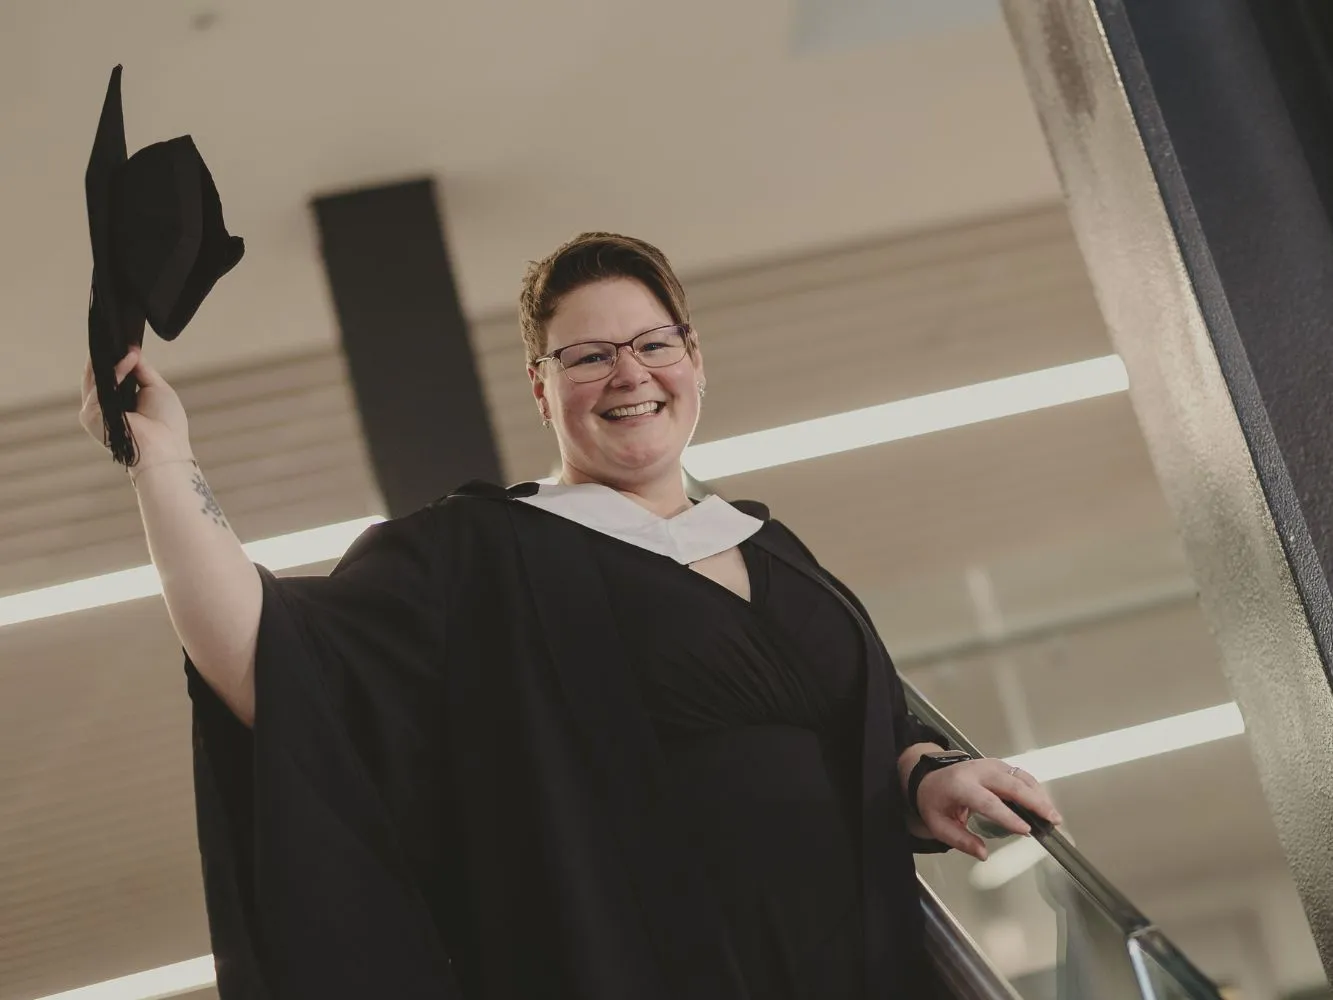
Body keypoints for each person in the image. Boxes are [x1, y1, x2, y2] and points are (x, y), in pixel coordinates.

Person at [80, 232, 1061, 999]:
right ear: (540, 386)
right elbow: (269, 662)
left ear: (694, 359)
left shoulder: (777, 551)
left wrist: (924, 772)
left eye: (651, 344)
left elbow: (862, 730)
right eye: (587, 355)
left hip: (869, 967)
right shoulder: (484, 552)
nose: (629, 374)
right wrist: (164, 464)